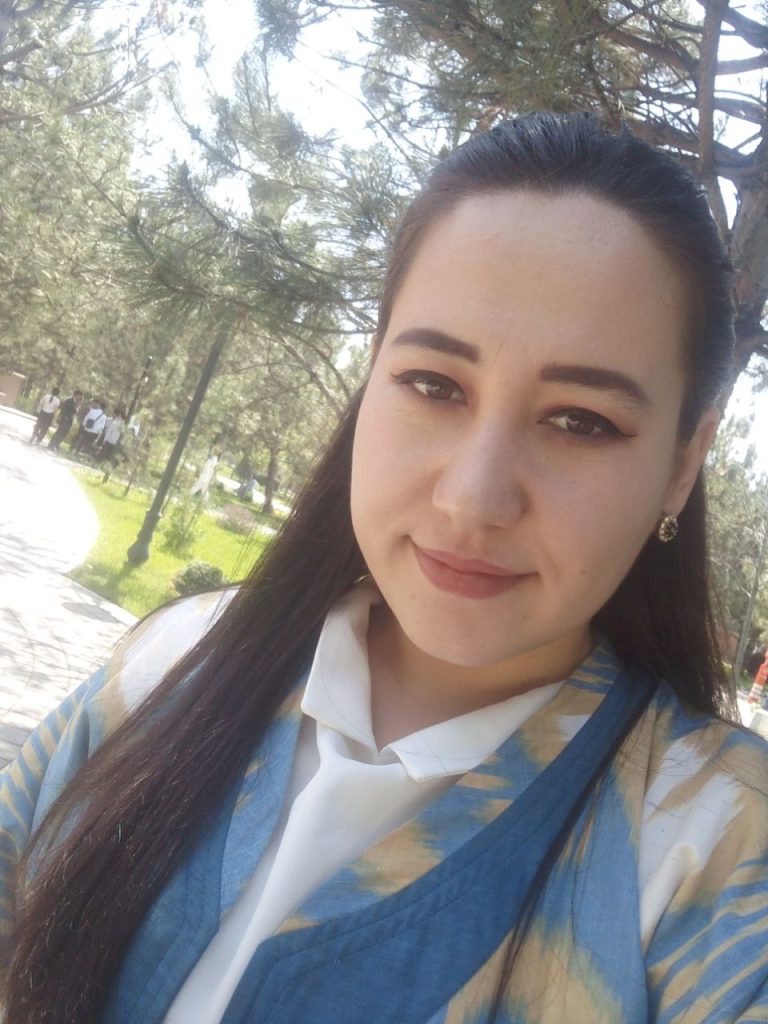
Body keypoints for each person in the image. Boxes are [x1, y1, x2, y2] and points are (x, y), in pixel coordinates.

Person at [1, 114, 767, 1024]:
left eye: (581, 421)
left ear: (683, 461)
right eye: (435, 385)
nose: (474, 498)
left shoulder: (713, 851)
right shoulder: (177, 661)